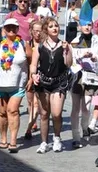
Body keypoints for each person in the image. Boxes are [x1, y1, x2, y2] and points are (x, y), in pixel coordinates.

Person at [0, 17, 30, 153]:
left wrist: (30, 76)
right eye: (8, 28)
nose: (11, 30)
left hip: (17, 85)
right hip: (0, 83)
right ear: (4, 30)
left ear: (18, 29)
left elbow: (32, 60)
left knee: (13, 110)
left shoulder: (23, 44)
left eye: (14, 28)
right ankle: (3, 138)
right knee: (2, 112)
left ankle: (13, 141)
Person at [30, 17, 74, 153]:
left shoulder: (65, 45)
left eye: (56, 26)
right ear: (46, 30)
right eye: (51, 26)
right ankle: (44, 142)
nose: (54, 28)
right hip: (43, 82)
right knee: (44, 114)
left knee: (56, 113)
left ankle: (57, 138)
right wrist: (33, 75)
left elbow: (69, 64)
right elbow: (33, 64)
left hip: (59, 82)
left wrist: (66, 51)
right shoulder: (40, 46)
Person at [22, 19, 44, 141]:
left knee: (36, 104)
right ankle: (33, 121)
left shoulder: (45, 44)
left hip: (42, 77)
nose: (38, 33)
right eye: (35, 31)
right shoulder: (27, 44)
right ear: (31, 31)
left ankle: (29, 128)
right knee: (31, 103)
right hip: (29, 77)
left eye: (40, 31)